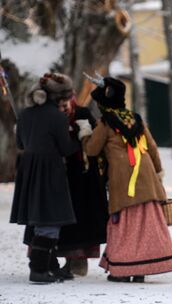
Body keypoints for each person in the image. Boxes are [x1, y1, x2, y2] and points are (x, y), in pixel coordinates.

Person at [79, 76, 172, 283]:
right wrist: (158, 173)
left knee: (125, 225)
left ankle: (122, 270)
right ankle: (141, 269)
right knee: (146, 224)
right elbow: (152, 148)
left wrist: (85, 133)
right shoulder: (137, 118)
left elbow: (92, 149)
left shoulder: (106, 123)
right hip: (147, 178)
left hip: (123, 182)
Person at [23, 95, 109, 277]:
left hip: (81, 177)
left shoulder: (83, 113)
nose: (64, 106)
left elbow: (94, 144)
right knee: (51, 220)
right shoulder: (49, 115)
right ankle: (48, 262)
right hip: (53, 173)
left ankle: (75, 261)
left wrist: (84, 136)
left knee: (79, 220)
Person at [10, 73, 80, 283]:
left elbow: (21, 144)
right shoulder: (58, 117)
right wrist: (81, 137)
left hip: (28, 168)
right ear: (58, 97)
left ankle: (50, 266)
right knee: (50, 218)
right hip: (49, 168)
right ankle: (39, 269)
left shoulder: (24, 114)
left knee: (39, 217)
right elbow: (66, 149)